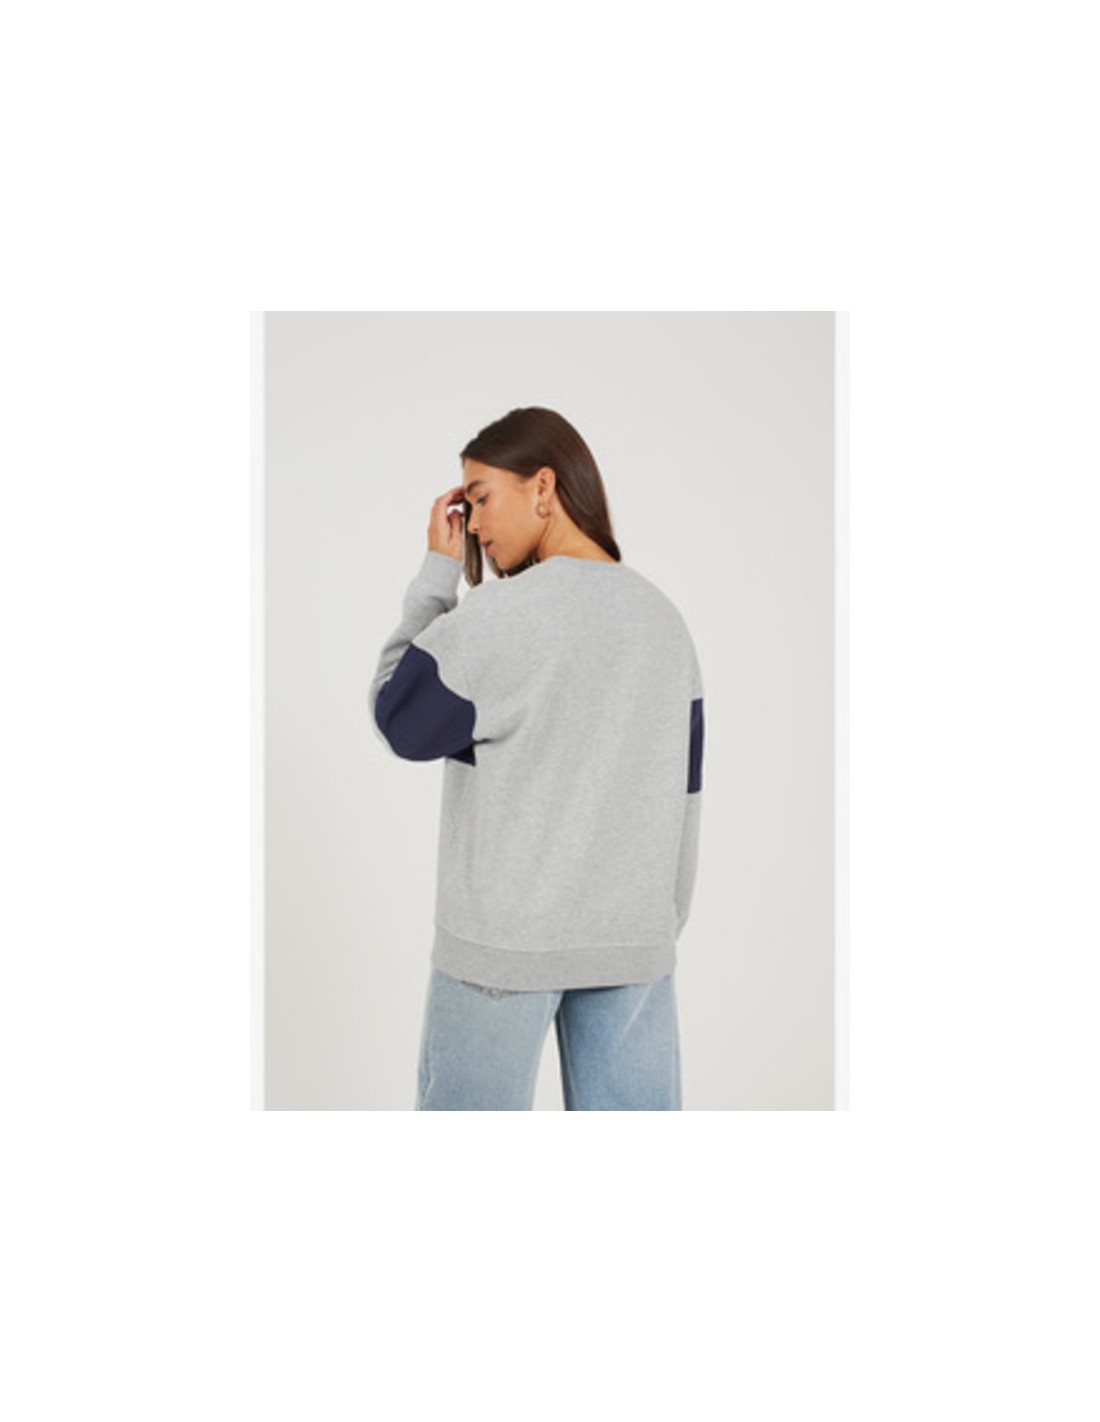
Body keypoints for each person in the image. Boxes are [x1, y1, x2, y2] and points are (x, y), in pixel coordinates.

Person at [370, 406, 704, 1110]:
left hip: (501, 948)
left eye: (481, 497)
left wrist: (437, 574)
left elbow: (399, 717)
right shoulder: (665, 622)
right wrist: (655, 924)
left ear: (544, 487)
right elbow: (686, 796)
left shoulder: (498, 618)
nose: (473, 525)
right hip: (632, 945)